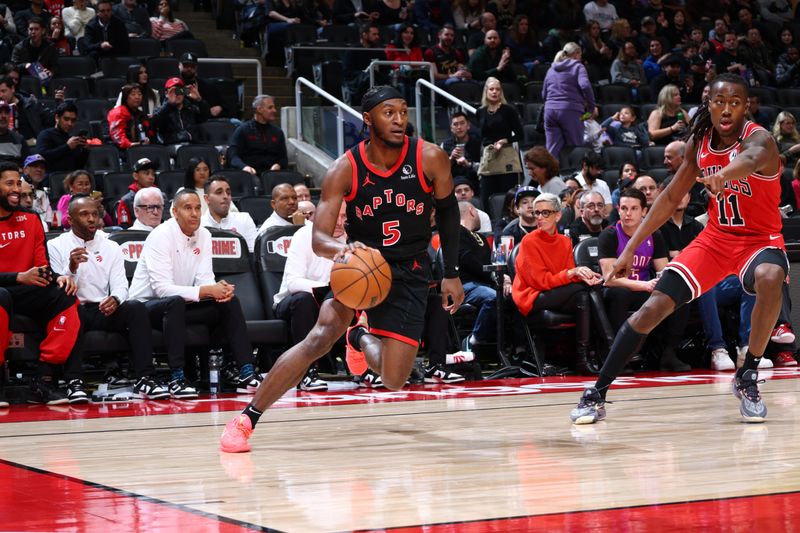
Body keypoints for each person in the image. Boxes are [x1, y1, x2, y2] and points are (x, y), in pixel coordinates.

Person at [219, 86, 464, 453]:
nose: (399, 120)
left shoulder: (430, 158)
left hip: (411, 268)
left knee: (395, 380)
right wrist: (343, 248)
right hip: (362, 266)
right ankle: (246, 419)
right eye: (389, 113)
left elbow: (447, 210)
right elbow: (319, 237)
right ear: (367, 119)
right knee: (318, 338)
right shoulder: (344, 169)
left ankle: (359, 338)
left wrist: (452, 271)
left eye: (402, 112)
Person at [571, 73, 788, 425]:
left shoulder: (761, 139)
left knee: (771, 275)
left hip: (759, 240)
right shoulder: (699, 143)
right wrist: (629, 251)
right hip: (716, 240)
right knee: (651, 309)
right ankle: (596, 392)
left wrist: (724, 175)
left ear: (746, 106)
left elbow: (749, 159)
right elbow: (670, 196)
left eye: (736, 102)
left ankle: (747, 375)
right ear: (710, 105)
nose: (727, 109)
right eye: (720, 102)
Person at [129, 189, 261, 399]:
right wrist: (209, 290)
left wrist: (219, 290)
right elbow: (162, 289)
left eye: (198, 208)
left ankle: (246, 372)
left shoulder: (205, 234)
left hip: (181, 304)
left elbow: (204, 280)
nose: (194, 213)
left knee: (229, 302)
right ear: (174, 212)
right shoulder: (160, 236)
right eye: (188, 208)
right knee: (174, 303)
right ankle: (176, 378)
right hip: (146, 308)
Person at [48, 194, 170, 400]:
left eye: (95, 214)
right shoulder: (55, 245)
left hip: (102, 309)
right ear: (70, 219)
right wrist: (71, 268)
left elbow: (122, 285)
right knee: (73, 308)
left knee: (136, 308)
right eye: (84, 214)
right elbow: (58, 290)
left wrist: (115, 299)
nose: (91, 219)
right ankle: (73, 381)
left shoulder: (111, 246)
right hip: (73, 309)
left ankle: (145, 379)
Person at [0, 161, 84, 406]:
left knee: (66, 297)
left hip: (27, 289)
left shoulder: (32, 219)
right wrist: (18, 276)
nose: (16, 189)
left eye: (18, 183)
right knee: (1, 295)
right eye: (9, 184)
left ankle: (44, 379)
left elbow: (41, 263)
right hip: (5, 289)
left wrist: (57, 277)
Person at [513, 192, 603, 374]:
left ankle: (583, 359)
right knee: (582, 290)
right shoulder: (529, 241)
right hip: (533, 295)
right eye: (537, 213)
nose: (539, 217)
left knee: (583, 296)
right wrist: (573, 274)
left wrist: (585, 275)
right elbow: (541, 281)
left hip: (557, 292)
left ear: (558, 215)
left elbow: (565, 277)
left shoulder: (564, 241)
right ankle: (608, 347)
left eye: (545, 213)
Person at [272, 203, 350, 392]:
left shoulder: (353, 239)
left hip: (334, 304)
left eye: (345, 217)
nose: (340, 222)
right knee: (304, 300)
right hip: (291, 304)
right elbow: (293, 283)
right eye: (336, 216)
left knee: (364, 295)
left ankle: (366, 368)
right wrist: (328, 291)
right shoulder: (304, 235)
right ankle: (306, 373)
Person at [458, 200, 504, 350]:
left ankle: (515, 349)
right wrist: (493, 276)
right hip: (464, 285)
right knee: (492, 297)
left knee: (513, 297)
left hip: (483, 284)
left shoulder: (481, 237)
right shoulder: (456, 232)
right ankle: (474, 340)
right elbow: (468, 260)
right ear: (472, 211)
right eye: (477, 212)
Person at [475, 77, 523, 211]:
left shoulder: (509, 110)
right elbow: (482, 136)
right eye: (491, 89)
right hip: (489, 155)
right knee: (486, 195)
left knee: (507, 195)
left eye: (497, 89)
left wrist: (504, 140)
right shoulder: (480, 112)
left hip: (505, 154)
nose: (494, 92)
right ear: (486, 91)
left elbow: (520, 135)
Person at [542, 42, 596, 159]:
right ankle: (574, 176)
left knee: (552, 151)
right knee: (575, 147)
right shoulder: (578, 66)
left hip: (550, 111)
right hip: (571, 111)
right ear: (577, 54)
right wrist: (591, 107)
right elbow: (585, 85)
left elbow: (543, 94)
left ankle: (551, 176)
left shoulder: (551, 69)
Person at [229, 95, 288, 176]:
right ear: (259, 109)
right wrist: (244, 167)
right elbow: (233, 156)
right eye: (270, 108)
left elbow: (283, 158)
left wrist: (278, 165)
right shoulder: (242, 130)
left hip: (272, 174)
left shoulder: (278, 132)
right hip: (249, 174)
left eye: (274, 107)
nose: (274, 110)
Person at [200, 176, 257, 252]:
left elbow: (253, 254)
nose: (225, 196)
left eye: (228, 193)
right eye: (219, 192)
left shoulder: (244, 219)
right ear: (207, 199)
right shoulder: (199, 225)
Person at [151, 77, 209, 145]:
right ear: (166, 93)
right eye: (174, 91)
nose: (178, 94)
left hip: (192, 145)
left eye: (180, 90)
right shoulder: (160, 111)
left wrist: (200, 100)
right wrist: (169, 104)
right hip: (171, 146)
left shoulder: (190, 108)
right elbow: (154, 124)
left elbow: (205, 117)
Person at [35, 101, 89, 172]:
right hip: (51, 179)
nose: (70, 123)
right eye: (66, 119)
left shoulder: (72, 140)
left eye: (73, 120)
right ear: (57, 117)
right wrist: (67, 147)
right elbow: (42, 156)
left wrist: (85, 151)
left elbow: (77, 166)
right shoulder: (45, 134)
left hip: (70, 178)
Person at [107, 83, 152, 150]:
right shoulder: (118, 112)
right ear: (126, 98)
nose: (137, 97)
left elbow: (149, 133)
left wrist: (148, 140)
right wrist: (132, 145)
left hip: (141, 148)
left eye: (139, 94)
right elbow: (118, 138)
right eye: (133, 94)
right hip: (122, 151)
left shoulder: (142, 115)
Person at [440, 111, 481, 184]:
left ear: (468, 125)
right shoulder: (445, 145)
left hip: (474, 183)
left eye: (462, 123)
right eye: (455, 124)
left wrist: (469, 164)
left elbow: (485, 168)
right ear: (451, 128)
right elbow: (439, 169)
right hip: (452, 184)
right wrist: (451, 158)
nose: (459, 127)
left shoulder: (478, 143)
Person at [116, 157, 158, 228]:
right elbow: (124, 229)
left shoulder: (161, 197)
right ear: (135, 176)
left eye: (153, 174)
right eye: (146, 173)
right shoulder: (126, 201)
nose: (151, 177)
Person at [21, 154, 52, 227]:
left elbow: (48, 220)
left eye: (42, 167)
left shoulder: (43, 192)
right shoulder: (17, 188)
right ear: (25, 170)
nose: (39, 169)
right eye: (35, 166)